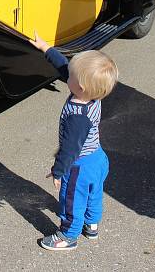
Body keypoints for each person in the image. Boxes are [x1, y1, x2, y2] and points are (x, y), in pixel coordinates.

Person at [29, 33, 117, 251]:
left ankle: (68, 235)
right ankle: (92, 224)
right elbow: (65, 68)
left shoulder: (78, 116)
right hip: (97, 158)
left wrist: (59, 171)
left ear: (81, 87)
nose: (67, 75)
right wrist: (46, 48)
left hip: (79, 165)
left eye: (71, 77)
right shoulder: (92, 95)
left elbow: (70, 149)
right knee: (94, 194)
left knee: (72, 200)